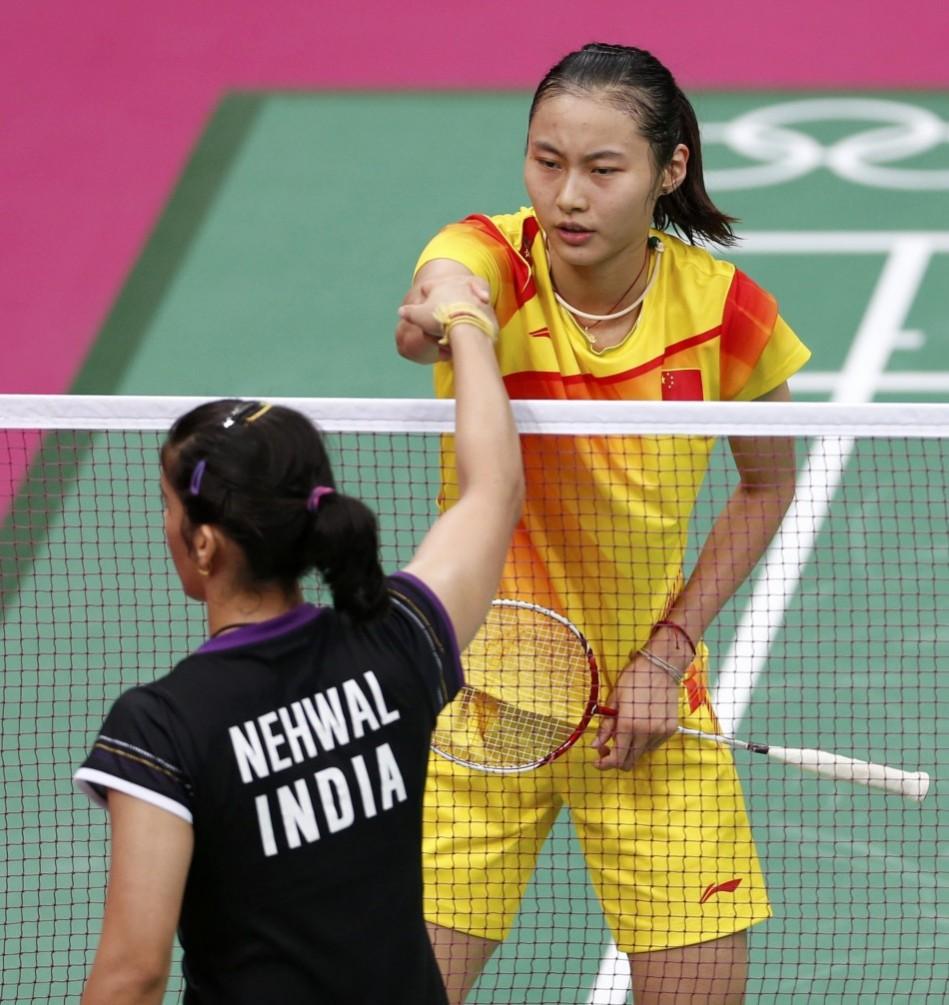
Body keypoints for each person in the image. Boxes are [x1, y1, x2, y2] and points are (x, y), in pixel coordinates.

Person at [395, 42, 811, 1005]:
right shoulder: (493, 260)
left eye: (601, 168)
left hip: (647, 712)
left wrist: (665, 656)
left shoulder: (724, 313)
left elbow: (765, 486)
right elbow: (440, 285)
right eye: (546, 161)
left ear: (668, 170)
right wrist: (445, 309)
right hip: (480, 712)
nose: (567, 196)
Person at [74, 281, 523, 1004]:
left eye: (167, 506)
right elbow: (493, 490)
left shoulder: (161, 726)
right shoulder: (396, 641)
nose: (164, 524)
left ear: (206, 544)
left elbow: (134, 972)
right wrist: (467, 320)